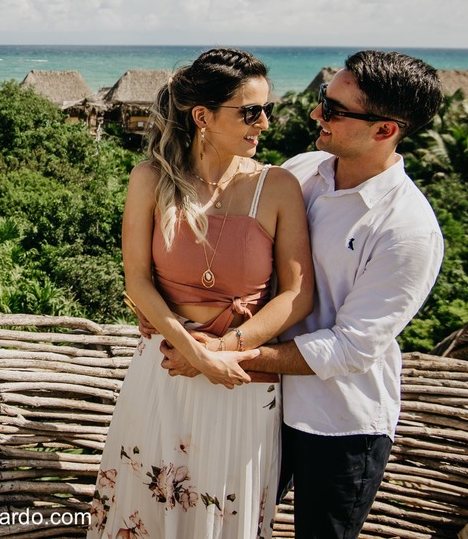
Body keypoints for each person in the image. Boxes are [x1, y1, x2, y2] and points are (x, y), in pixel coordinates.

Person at [159, 50, 445, 539]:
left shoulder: (407, 230)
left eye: (333, 109)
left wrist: (219, 355)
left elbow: (352, 348)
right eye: (321, 100)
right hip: (262, 401)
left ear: (385, 130)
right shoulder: (304, 170)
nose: (316, 114)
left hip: (337, 423)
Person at [87, 48, 314, 539]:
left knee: (223, 513)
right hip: (164, 367)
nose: (265, 123)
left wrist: (223, 351)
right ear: (203, 117)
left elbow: (296, 295)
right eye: (250, 111)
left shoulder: (277, 187)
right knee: (146, 510)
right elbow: (137, 281)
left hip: (240, 374)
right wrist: (192, 350)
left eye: (266, 110)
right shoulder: (151, 179)